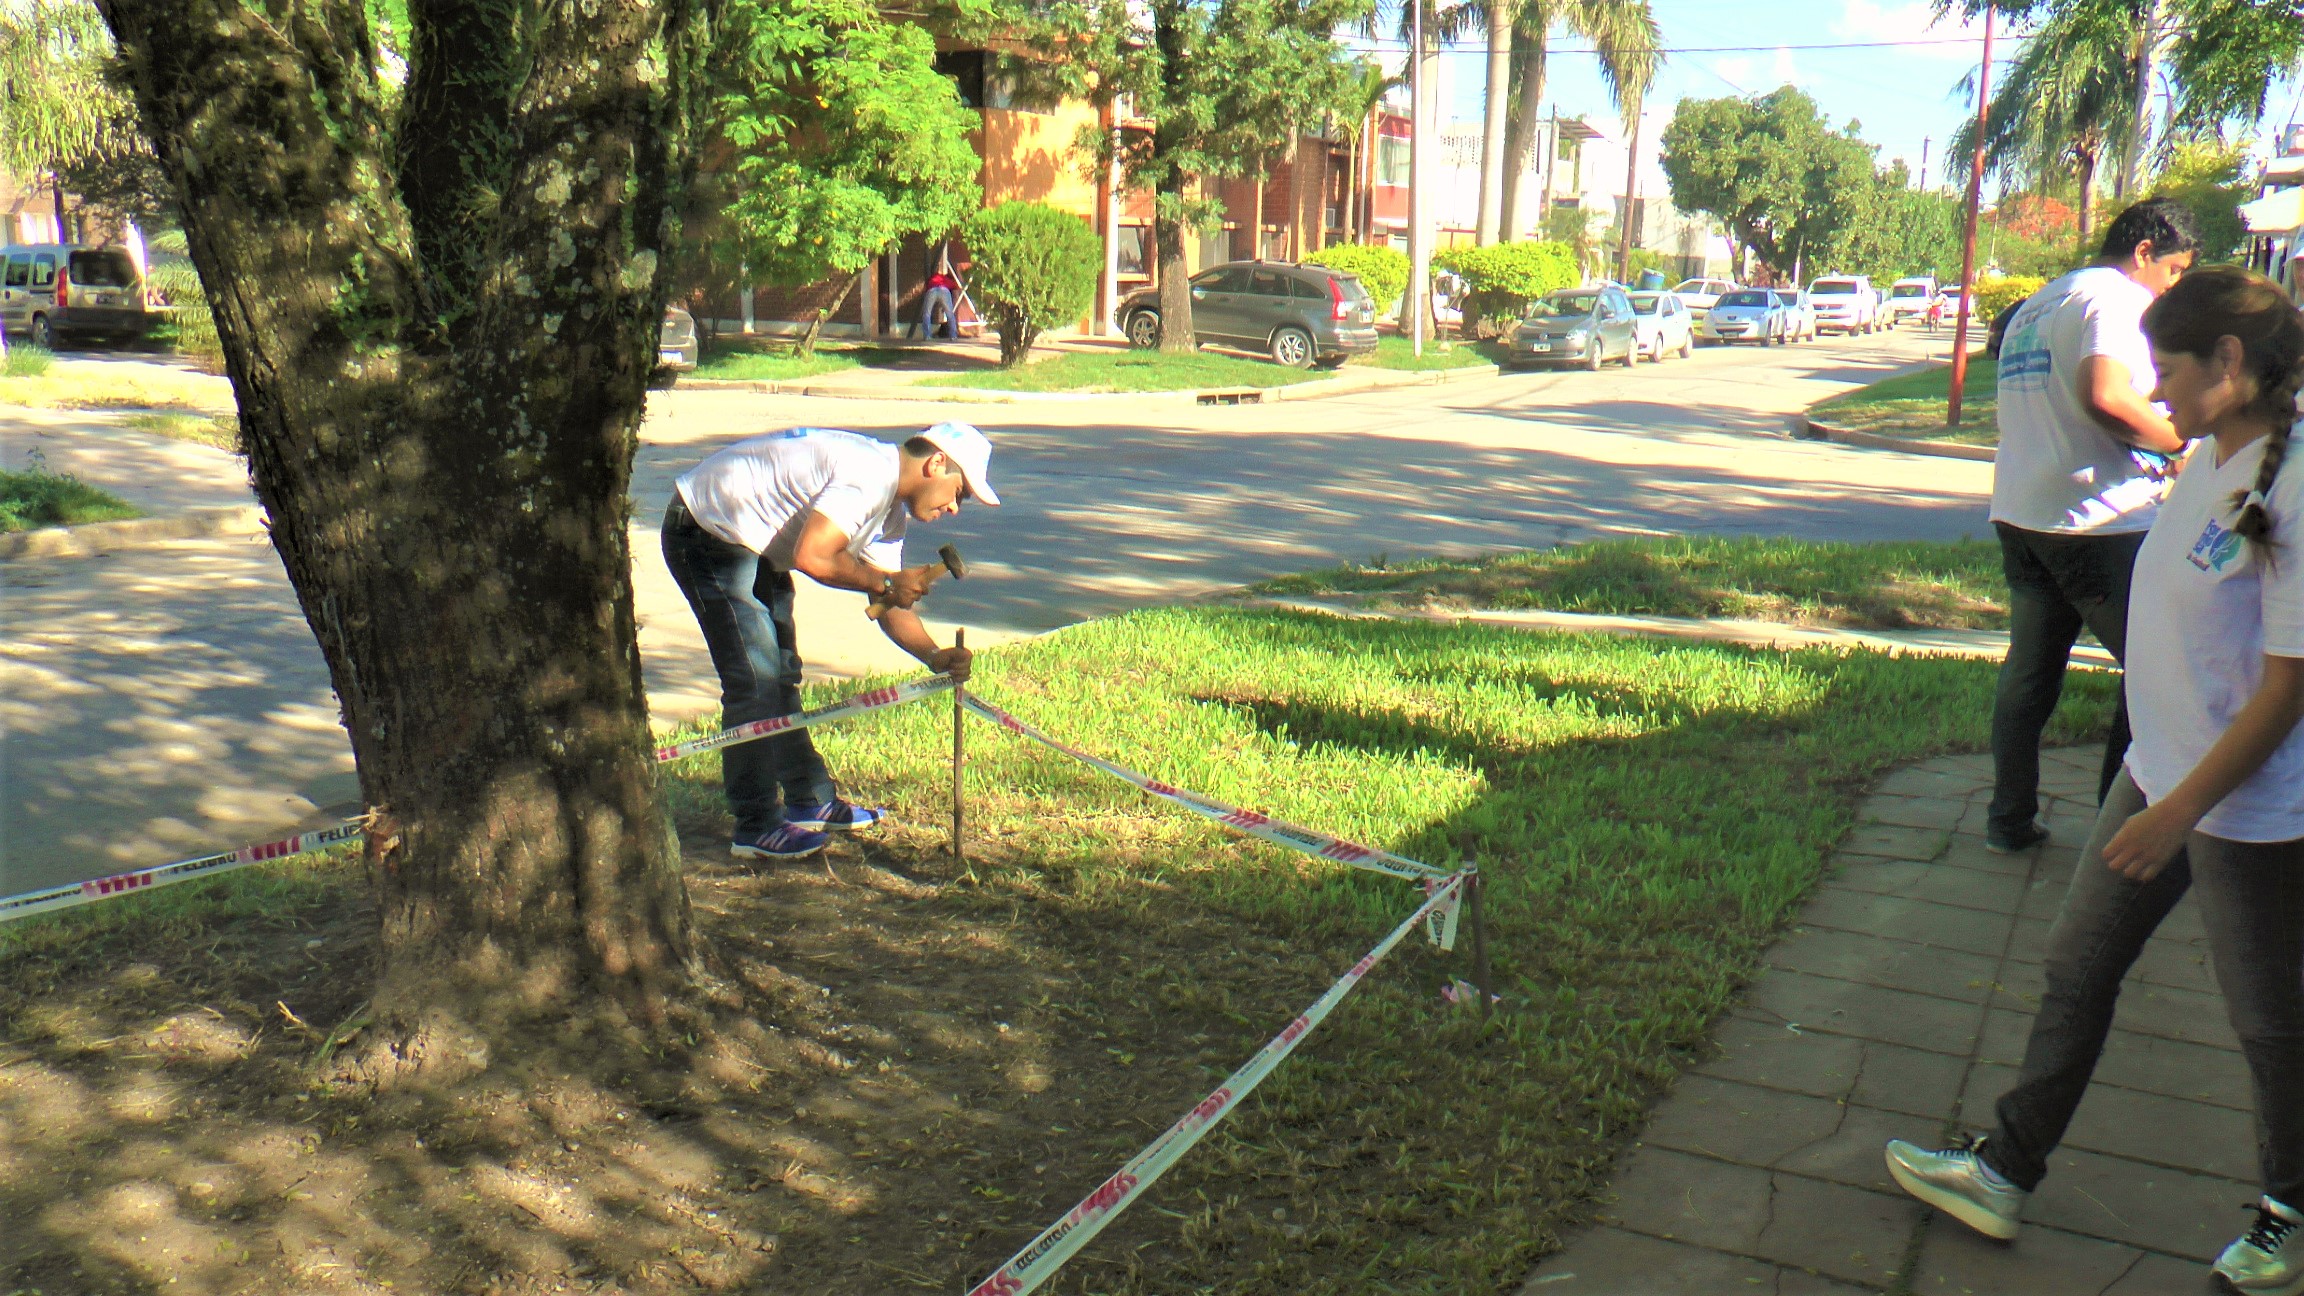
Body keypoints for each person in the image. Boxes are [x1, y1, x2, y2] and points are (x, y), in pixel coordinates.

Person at [1885, 266, 2304, 1293]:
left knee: (2270, 1024)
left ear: (2231, 362)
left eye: (2168, 369)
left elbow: (2289, 690)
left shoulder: (2295, 486)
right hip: (2156, 778)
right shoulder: (2212, 455)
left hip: (2242, 810)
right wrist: (2156, 793)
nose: (2154, 391)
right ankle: (2003, 1171)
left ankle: (2290, 1219)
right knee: (2075, 972)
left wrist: (2182, 817)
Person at [662, 422, 995, 860]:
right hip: (709, 532)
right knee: (755, 682)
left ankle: (809, 800)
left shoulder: (889, 511)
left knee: (780, 674)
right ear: (936, 463)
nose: (955, 507)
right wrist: (885, 580)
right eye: (960, 492)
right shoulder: (868, 476)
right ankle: (755, 824)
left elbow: (887, 601)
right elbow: (815, 556)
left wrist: (933, 654)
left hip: (755, 541)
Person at [1983, 197, 2199, 855]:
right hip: (2098, 524)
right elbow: (2104, 394)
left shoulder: (2044, 302)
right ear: (2143, 253)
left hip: (2025, 514)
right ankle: (2120, 834)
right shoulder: (2115, 300)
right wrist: (2179, 441)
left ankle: (2009, 821)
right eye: (2175, 271)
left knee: (2030, 675)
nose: (2175, 288)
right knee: (2158, 673)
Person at [917, 252, 960, 341]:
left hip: (931, 290)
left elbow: (926, 288)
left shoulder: (934, 277)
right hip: (944, 290)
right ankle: (953, 335)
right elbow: (956, 289)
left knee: (927, 313)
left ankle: (926, 335)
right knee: (950, 314)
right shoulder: (947, 279)